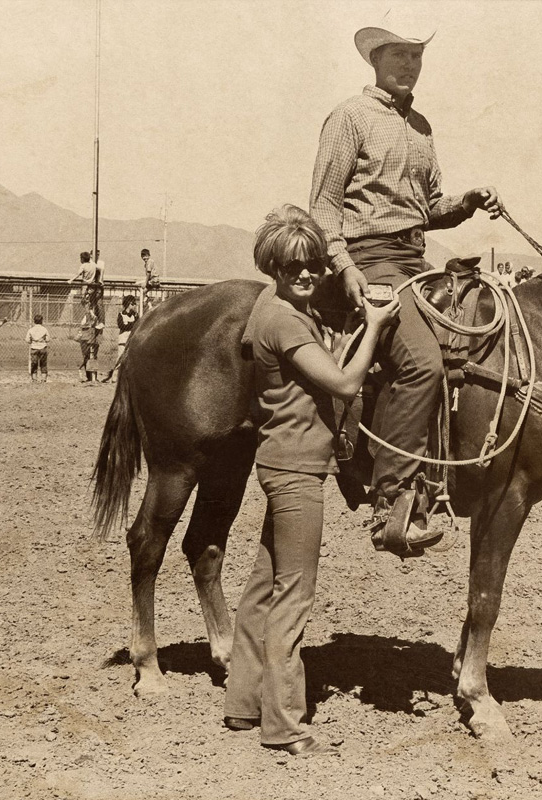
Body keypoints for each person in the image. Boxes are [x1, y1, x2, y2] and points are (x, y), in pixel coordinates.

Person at [309, 14, 502, 553]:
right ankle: (390, 500)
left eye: (417, 56)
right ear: (375, 59)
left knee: (472, 350)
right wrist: (346, 269)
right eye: (400, 55)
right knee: (422, 362)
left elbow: (427, 208)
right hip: (369, 259)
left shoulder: (421, 127)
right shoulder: (348, 118)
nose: (410, 65)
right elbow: (323, 207)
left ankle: (442, 482)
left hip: (417, 260)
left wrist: (465, 203)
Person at [223, 205, 400, 756]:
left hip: (279, 461)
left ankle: (243, 704)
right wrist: (372, 325)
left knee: (261, 589)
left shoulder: (265, 309)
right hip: (298, 470)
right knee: (293, 598)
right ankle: (285, 727)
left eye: (314, 266)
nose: (305, 276)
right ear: (273, 265)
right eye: (292, 266)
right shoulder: (287, 320)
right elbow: (346, 384)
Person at [25, 313, 50, 382]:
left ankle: (34, 379)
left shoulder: (31, 330)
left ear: (34, 321)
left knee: (34, 363)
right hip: (42, 347)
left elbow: (27, 340)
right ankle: (43, 378)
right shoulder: (44, 329)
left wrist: (32, 341)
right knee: (43, 363)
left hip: (34, 348)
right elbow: (48, 339)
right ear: (42, 321)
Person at [78, 307, 100, 383]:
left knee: (93, 357)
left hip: (93, 339)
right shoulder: (86, 316)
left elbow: (98, 323)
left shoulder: (97, 316)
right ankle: (89, 376)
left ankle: (94, 377)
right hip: (85, 339)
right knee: (86, 357)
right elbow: (82, 325)